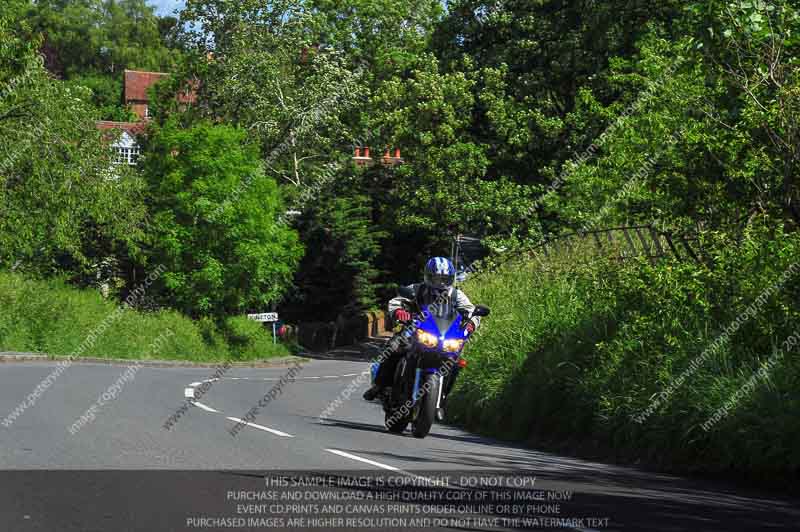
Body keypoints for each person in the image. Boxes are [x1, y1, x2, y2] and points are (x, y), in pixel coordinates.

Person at [362, 257, 481, 418]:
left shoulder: (456, 295)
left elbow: (471, 310)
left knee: (456, 362)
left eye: (444, 279)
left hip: (442, 334)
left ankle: (442, 400)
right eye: (436, 278)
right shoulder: (417, 289)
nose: (440, 283)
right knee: (395, 346)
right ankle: (379, 385)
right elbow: (396, 301)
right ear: (428, 276)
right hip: (414, 330)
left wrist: (471, 323)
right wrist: (399, 312)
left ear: (451, 279)